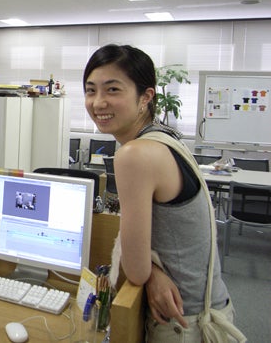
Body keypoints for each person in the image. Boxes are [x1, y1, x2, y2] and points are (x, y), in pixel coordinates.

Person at [83, 44, 241, 342]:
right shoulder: (166, 137)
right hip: (209, 307)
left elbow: (136, 271)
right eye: (91, 90)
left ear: (146, 97)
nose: (98, 102)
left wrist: (147, 269)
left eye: (113, 89)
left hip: (183, 323)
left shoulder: (135, 154)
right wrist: (154, 270)